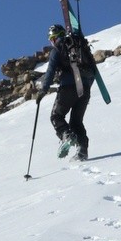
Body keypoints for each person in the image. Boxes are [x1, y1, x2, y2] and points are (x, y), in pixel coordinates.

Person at [36, 23, 96, 161]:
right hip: (85, 89)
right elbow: (92, 70)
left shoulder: (57, 50)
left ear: (54, 38)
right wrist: (86, 87)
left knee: (56, 116)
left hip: (68, 87)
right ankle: (82, 151)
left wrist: (43, 91)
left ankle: (67, 136)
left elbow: (50, 72)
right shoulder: (80, 48)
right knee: (76, 122)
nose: (51, 42)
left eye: (51, 39)